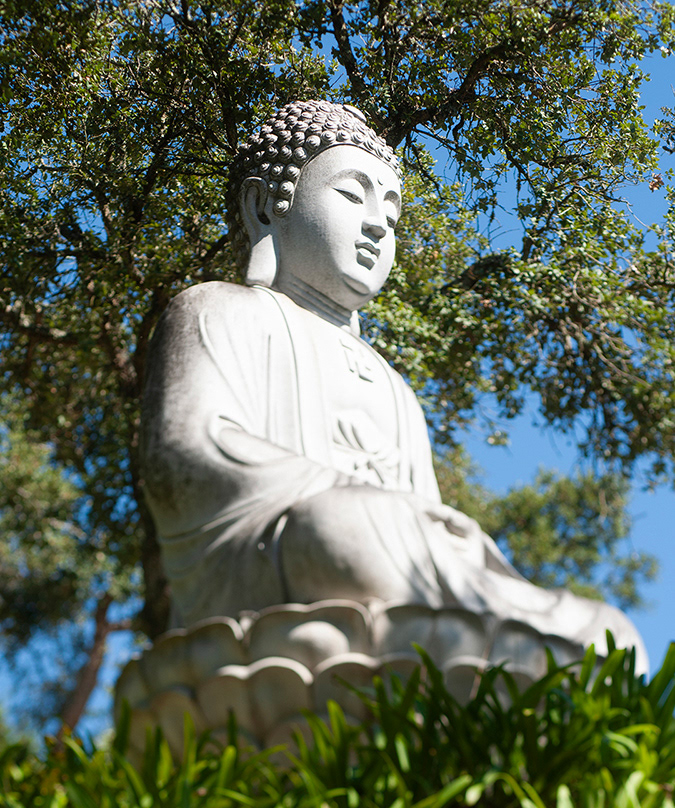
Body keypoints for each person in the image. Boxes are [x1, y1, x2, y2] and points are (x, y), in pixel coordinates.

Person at [140, 100, 647, 672]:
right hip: (277, 560)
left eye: (393, 214)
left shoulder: (395, 389)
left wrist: (451, 534)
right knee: (346, 528)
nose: (378, 224)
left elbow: (423, 519)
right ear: (264, 207)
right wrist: (351, 498)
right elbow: (180, 456)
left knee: (609, 632)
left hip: (400, 568)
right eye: (353, 196)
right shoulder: (216, 310)